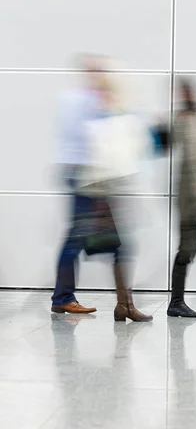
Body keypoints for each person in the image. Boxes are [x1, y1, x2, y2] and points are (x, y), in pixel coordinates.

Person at [51, 55, 154, 321]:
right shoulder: (82, 100)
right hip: (88, 179)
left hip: (95, 179)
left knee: (97, 240)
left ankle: (121, 304)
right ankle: (69, 299)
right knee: (83, 240)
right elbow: (94, 139)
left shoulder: (87, 99)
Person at [167, 79, 196, 318]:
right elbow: (190, 159)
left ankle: (178, 301)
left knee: (191, 248)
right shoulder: (186, 119)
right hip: (191, 197)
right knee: (187, 248)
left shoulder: (194, 118)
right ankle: (176, 302)